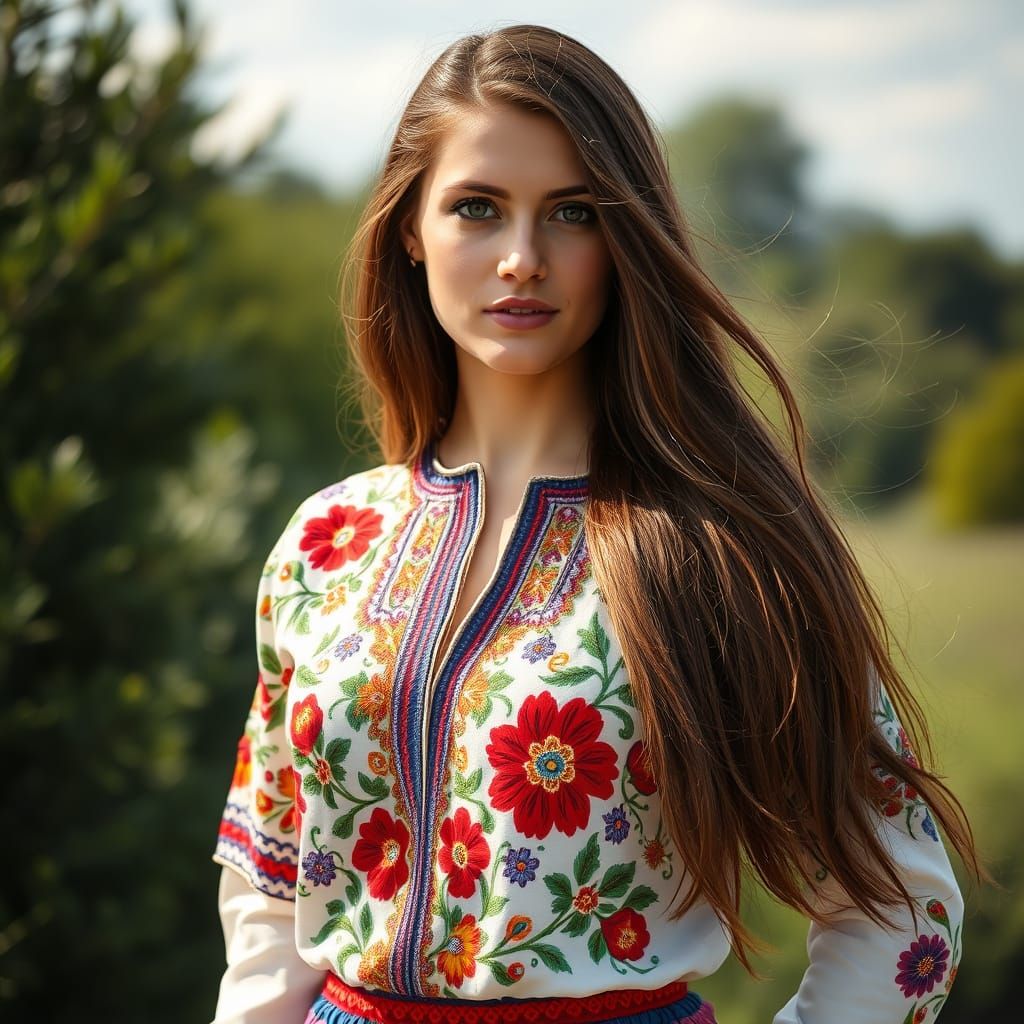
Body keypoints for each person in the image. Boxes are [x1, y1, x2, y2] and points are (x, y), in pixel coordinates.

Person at [209, 23, 986, 1024]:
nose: (522, 258)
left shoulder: (725, 552)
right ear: (411, 228)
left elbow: (902, 913)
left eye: (571, 213)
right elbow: (272, 894)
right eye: (477, 209)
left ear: (624, 239)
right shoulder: (326, 542)